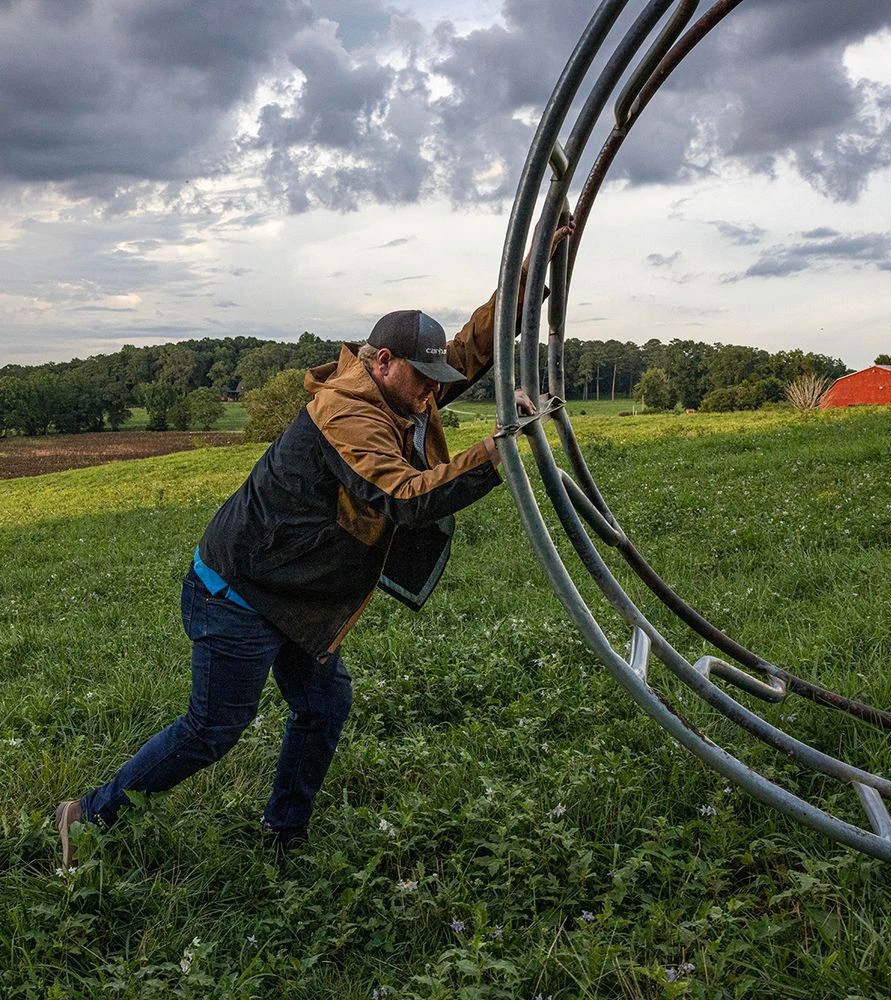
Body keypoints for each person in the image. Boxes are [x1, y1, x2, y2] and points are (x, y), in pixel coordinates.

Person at [55, 223, 573, 868]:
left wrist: (531, 272)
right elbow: (401, 497)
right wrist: (493, 453)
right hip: (240, 593)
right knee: (213, 728)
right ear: (381, 362)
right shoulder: (348, 412)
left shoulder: (406, 391)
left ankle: (284, 834)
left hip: (295, 595)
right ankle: (87, 815)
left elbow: (474, 346)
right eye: (422, 377)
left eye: (436, 378)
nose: (434, 391)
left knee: (323, 706)